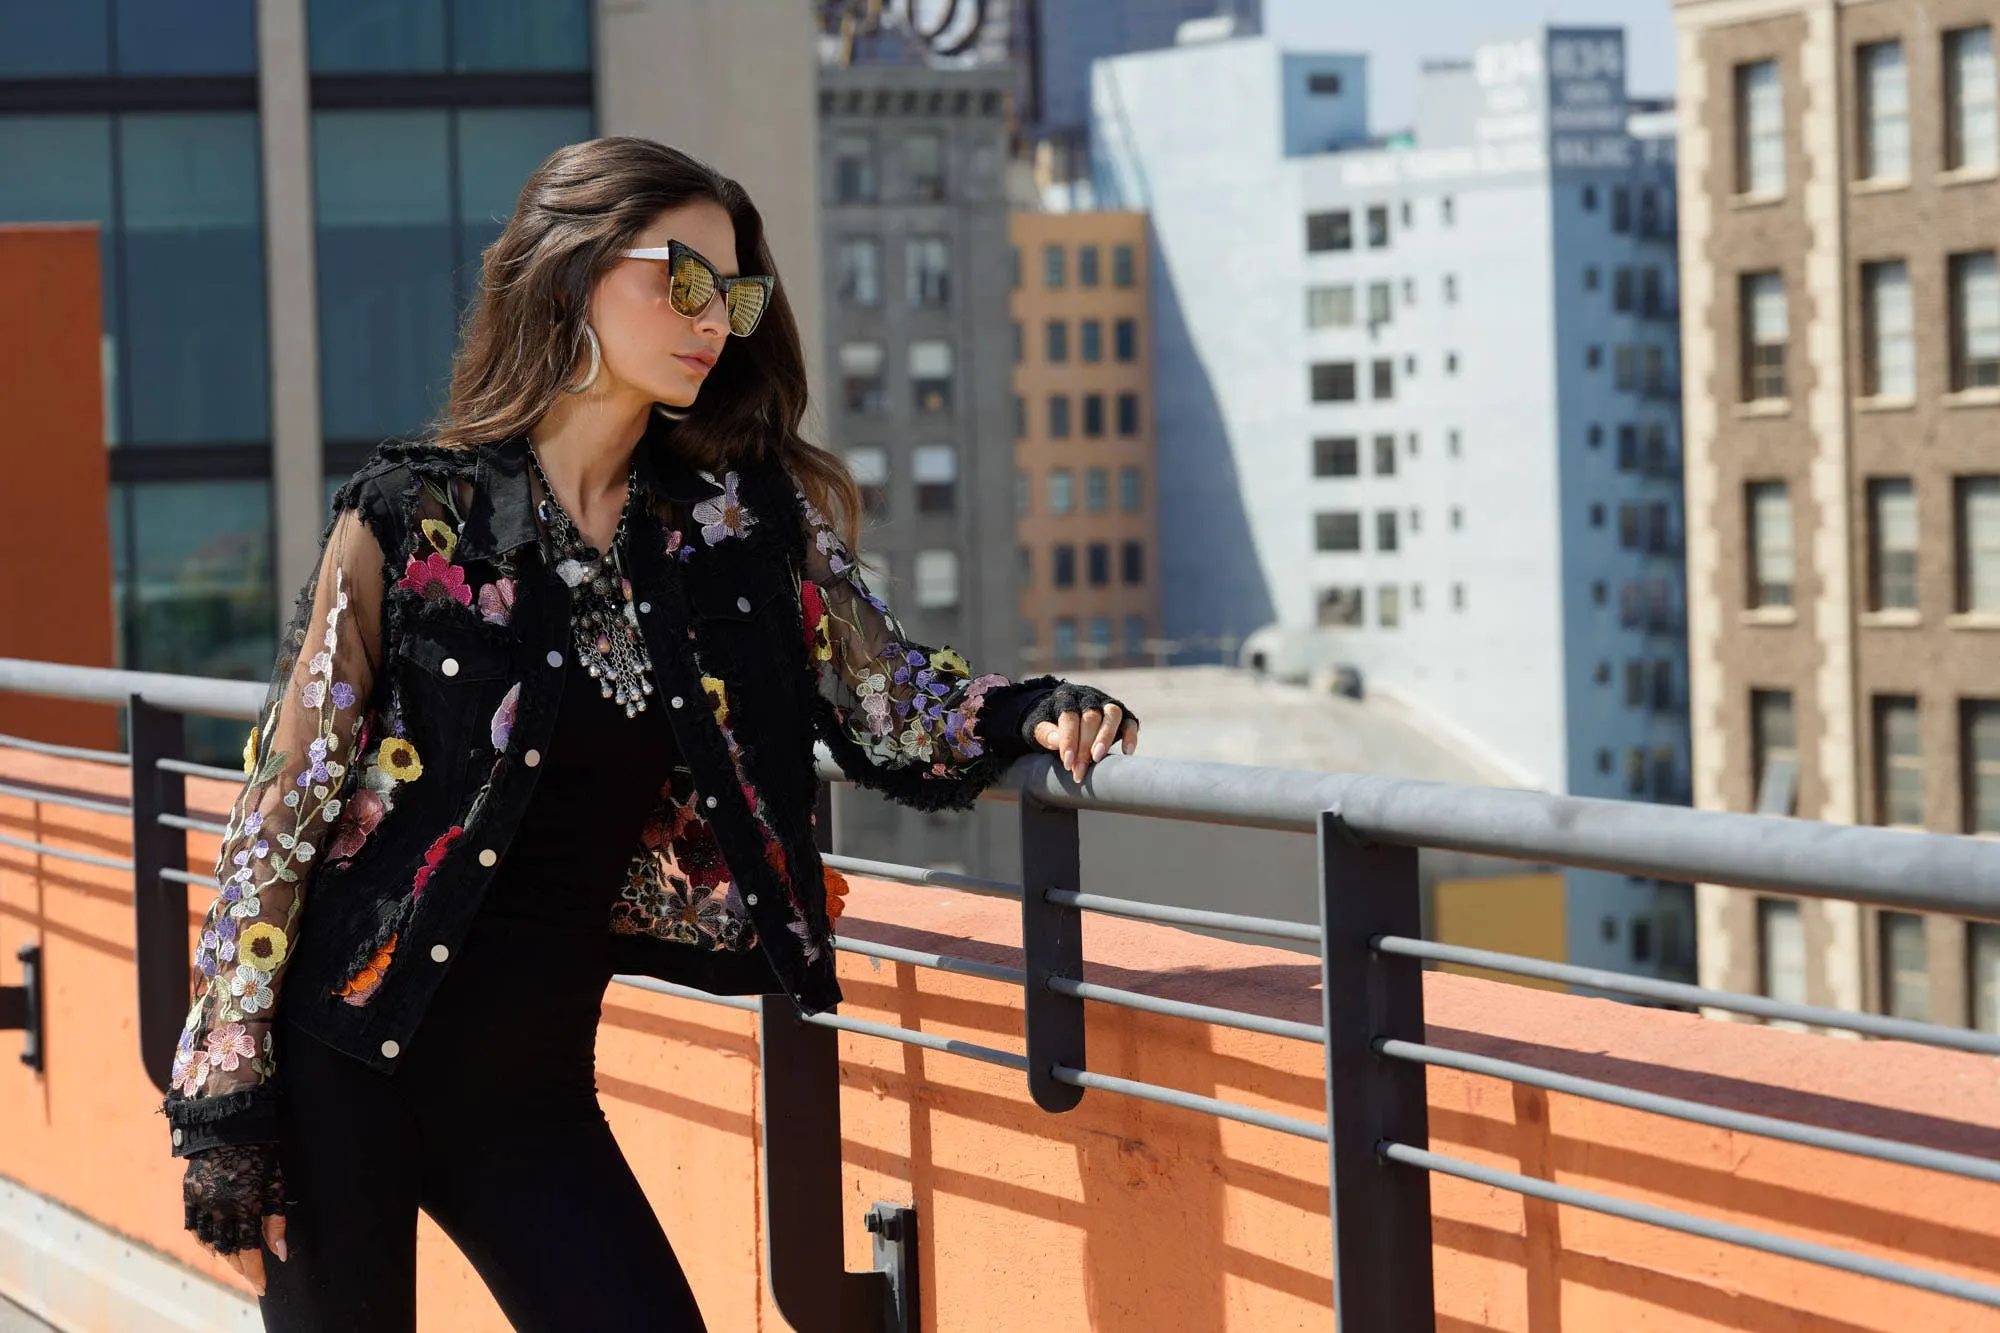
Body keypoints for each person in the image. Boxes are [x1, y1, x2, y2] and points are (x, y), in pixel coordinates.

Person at [161, 136, 1138, 1332]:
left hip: (527, 1097)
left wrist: (1031, 711)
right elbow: (281, 810)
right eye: (681, 279)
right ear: (572, 277)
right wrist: (224, 1099)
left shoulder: (735, 528)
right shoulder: (409, 518)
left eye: (733, 291)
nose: (713, 318)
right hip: (335, 1066)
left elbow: (888, 700)